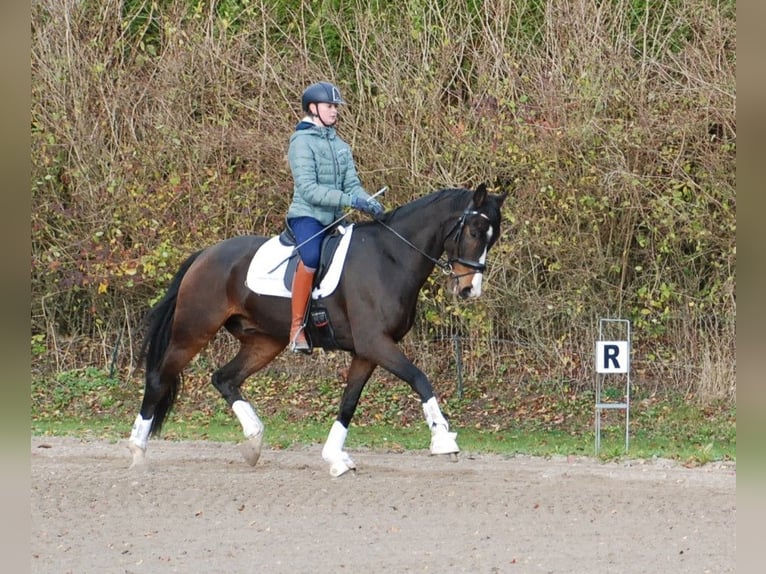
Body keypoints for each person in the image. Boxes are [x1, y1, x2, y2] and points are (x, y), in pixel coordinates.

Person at [286, 81, 384, 353]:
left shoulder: (340, 145)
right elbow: (309, 189)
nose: (335, 111)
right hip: (308, 216)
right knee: (312, 258)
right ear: (313, 108)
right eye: (330, 106)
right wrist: (349, 200)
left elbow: (352, 184)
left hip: (335, 219)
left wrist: (367, 200)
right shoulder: (301, 143)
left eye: (335, 107)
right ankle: (296, 328)